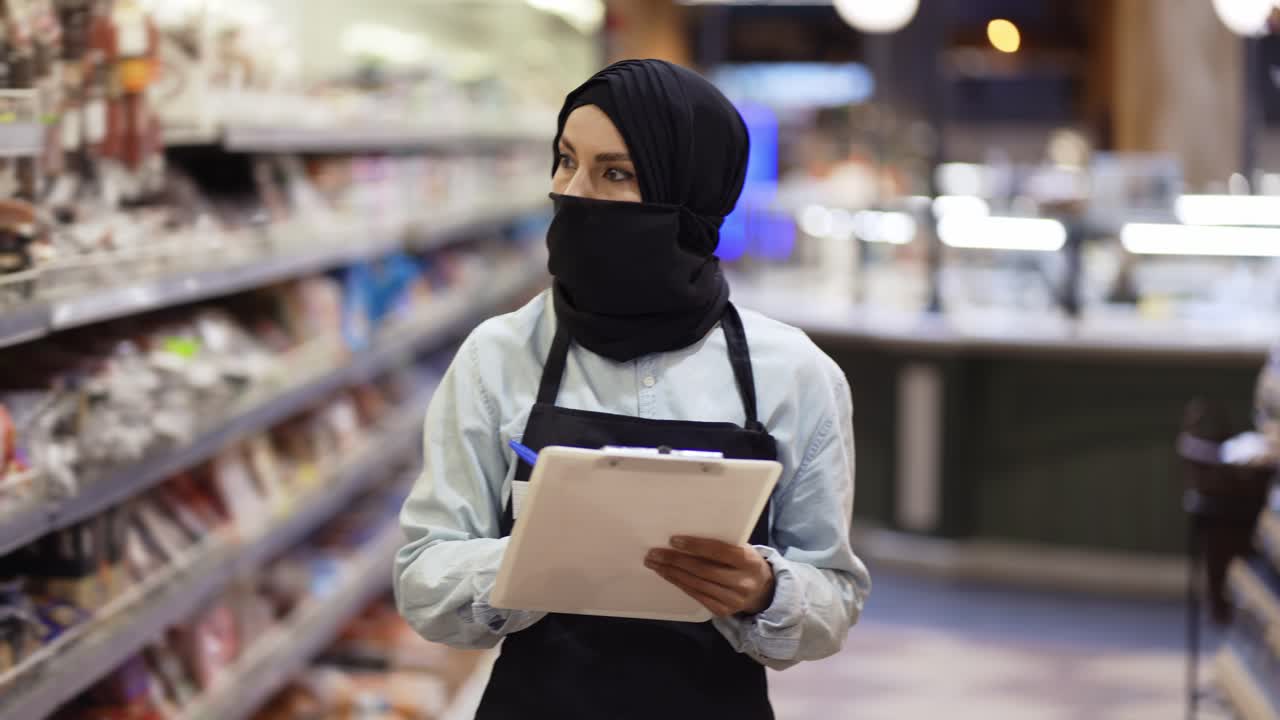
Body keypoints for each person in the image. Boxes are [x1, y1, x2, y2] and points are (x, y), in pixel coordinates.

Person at [394, 59, 870, 719]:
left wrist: (766, 590)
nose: (574, 190)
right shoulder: (497, 356)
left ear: (690, 194)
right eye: (565, 161)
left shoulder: (792, 372)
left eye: (614, 172)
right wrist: (533, 564)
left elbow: (834, 598)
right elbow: (422, 580)